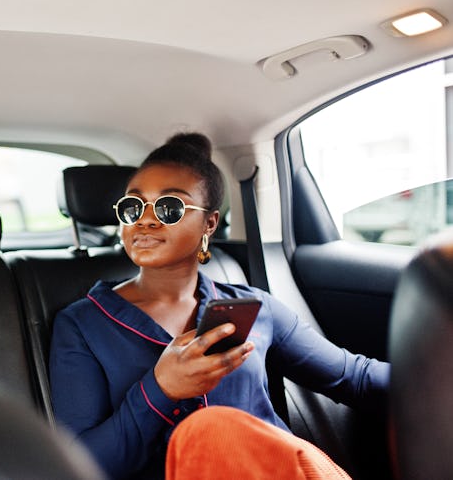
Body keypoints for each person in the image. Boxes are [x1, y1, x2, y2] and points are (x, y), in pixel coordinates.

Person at [49, 132, 389, 480]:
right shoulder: (81, 324)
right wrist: (161, 389)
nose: (145, 220)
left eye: (169, 207)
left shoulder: (255, 307)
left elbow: (355, 377)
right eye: (133, 206)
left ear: (209, 224)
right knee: (209, 429)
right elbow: (79, 467)